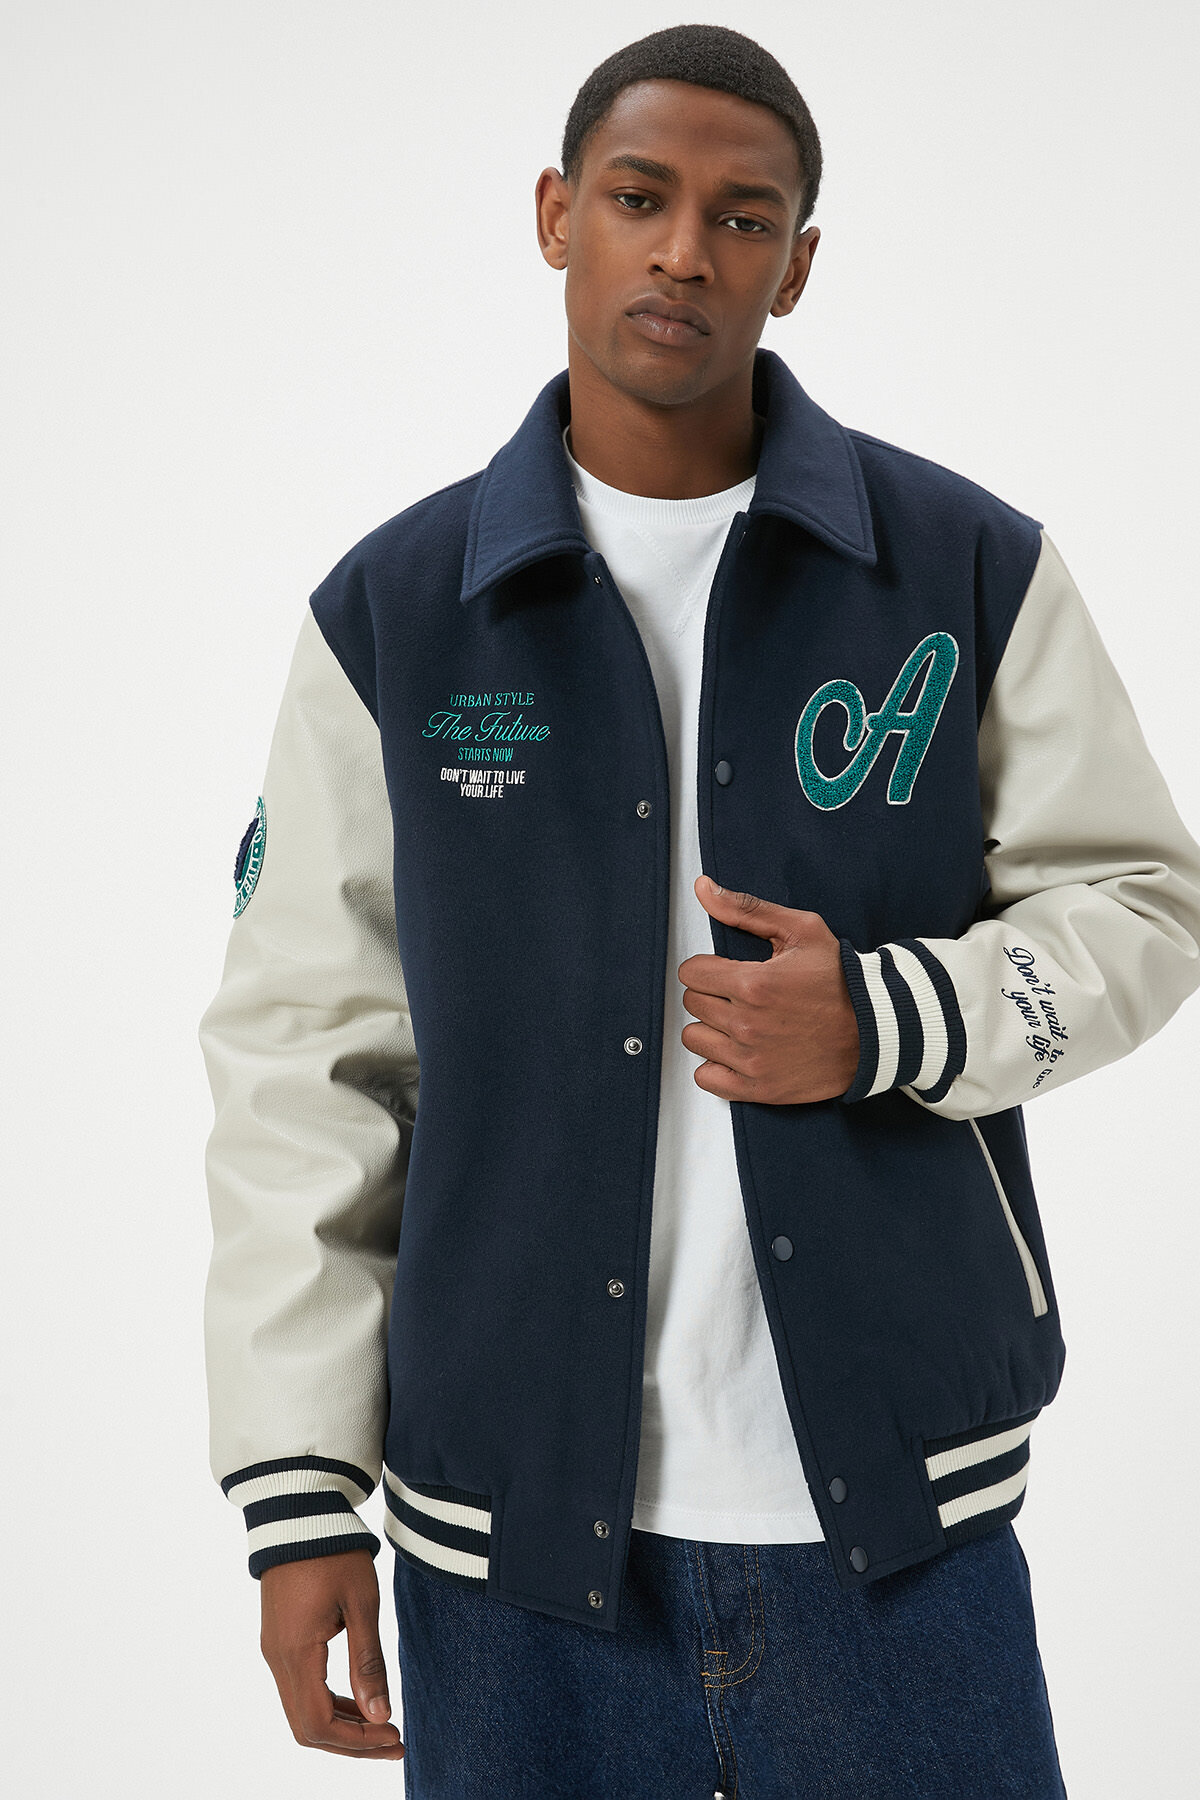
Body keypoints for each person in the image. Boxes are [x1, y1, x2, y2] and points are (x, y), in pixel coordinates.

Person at [198, 23, 1200, 1798]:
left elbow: (1142, 904)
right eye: (639, 198)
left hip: (901, 1529)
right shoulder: (399, 612)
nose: (685, 251)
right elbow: (305, 1060)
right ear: (555, 215)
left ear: (796, 265)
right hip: (508, 1548)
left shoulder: (964, 567)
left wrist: (889, 1019)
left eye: (744, 218)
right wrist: (301, 1496)